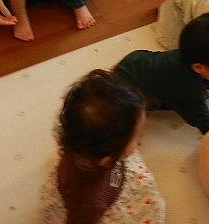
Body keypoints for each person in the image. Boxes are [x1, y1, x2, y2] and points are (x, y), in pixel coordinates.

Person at [40, 69, 165, 224]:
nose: (140, 141)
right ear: (107, 159)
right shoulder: (90, 201)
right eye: (136, 138)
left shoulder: (77, 135)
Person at [113, 12, 209, 134]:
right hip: (127, 87)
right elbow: (203, 120)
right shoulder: (186, 88)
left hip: (137, 61)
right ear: (198, 67)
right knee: (133, 115)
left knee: (208, 81)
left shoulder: (195, 59)